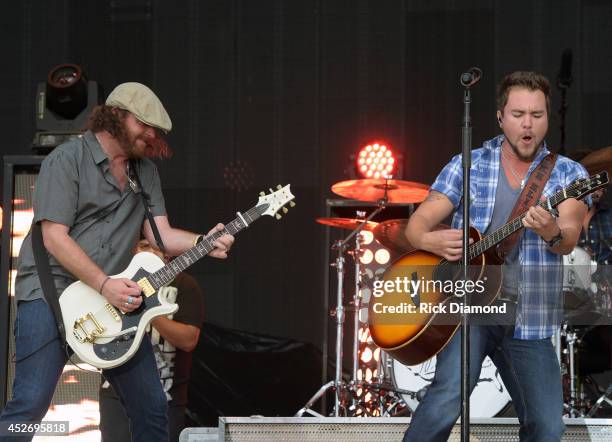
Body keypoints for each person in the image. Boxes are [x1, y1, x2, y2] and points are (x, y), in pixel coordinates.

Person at [0, 82, 234, 442]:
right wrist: (105, 284)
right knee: (28, 406)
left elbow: (161, 235)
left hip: (110, 303)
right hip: (50, 298)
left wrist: (204, 241)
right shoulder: (67, 160)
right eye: (145, 125)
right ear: (117, 117)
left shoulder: (146, 173)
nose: (152, 135)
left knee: (152, 408)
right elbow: (54, 237)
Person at [402, 71, 589, 441]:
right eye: (519, 114)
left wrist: (551, 232)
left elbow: (568, 239)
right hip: (472, 307)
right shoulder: (468, 164)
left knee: (548, 427)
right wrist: (431, 240)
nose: (528, 124)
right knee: (446, 398)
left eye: (537, 115)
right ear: (501, 117)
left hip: (529, 315)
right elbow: (416, 226)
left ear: (547, 118)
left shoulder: (569, 173)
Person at [98, 239, 204, 442]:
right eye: (145, 245)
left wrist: (148, 310)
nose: (152, 251)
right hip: (114, 394)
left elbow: (189, 340)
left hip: (167, 395)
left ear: (168, 254)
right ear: (133, 250)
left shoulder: (184, 285)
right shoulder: (117, 283)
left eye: (158, 246)